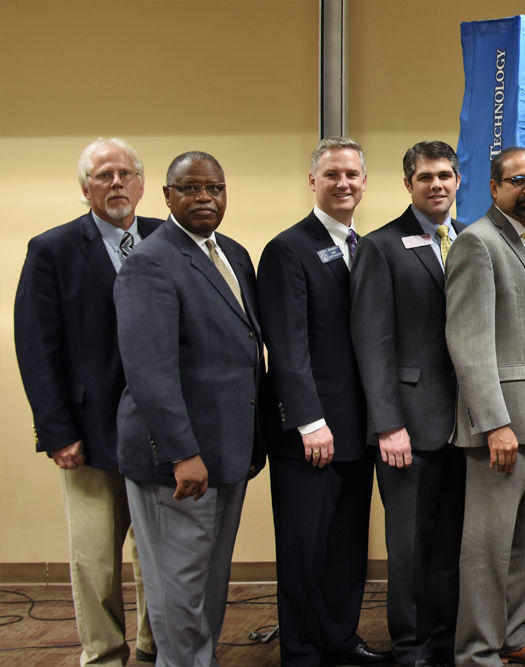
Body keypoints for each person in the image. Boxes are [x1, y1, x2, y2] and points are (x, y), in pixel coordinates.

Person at [15, 138, 161, 667]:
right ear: (85, 189)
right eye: (103, 175)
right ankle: (102, 653)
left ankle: (152, 646)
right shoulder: (51, 250)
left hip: (159, 432)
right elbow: (36, 347)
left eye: (125, 173)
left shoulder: (170, 241)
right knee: (96, 558)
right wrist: (56, 432)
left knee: (156, 555)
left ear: (143, 186)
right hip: (88, 431)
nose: (116, 183)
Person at [114, 151, 263, 665]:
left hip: (227, 453)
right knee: (177, 584)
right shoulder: (149, 264)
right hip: (180, 462)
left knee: (209, 579)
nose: (205, 198)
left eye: (214, 188)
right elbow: (149, 372)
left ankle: (198, 659)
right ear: (166, 196)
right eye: (191, 188)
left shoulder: (233, 254)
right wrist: (181, 452)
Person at [259, 136, 386, 666]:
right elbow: (286, 347)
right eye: (332, 174)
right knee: (305, 549)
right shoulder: (288, 249)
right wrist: (309, 421)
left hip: (359, 430)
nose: (343, 183)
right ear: (313, 181)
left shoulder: (369, 247)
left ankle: (339, 637)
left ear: (364, 182)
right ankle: (304, 651)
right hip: (312, 433)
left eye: (352, 175)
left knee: (346, 547)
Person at [446, 146, 525, 667]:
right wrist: (495, 423)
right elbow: (469, 343)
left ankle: (514, 636)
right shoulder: (477, 242)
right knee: (487, 548)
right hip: (504, 424)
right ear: (494, 187)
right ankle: (476, 652)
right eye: (518, 181)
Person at [350, 140, 468, 667]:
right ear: (408, 185)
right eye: (425, 177)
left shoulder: (469, 241)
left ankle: (444, 641)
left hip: (466, 428)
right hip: (409, 428)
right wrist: (387, 424)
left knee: (450, 547)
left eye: (445, 175)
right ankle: (411, 647)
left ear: (458, 180)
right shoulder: (381, 246)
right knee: (411, 548)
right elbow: (372, 344)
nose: (436, 185)